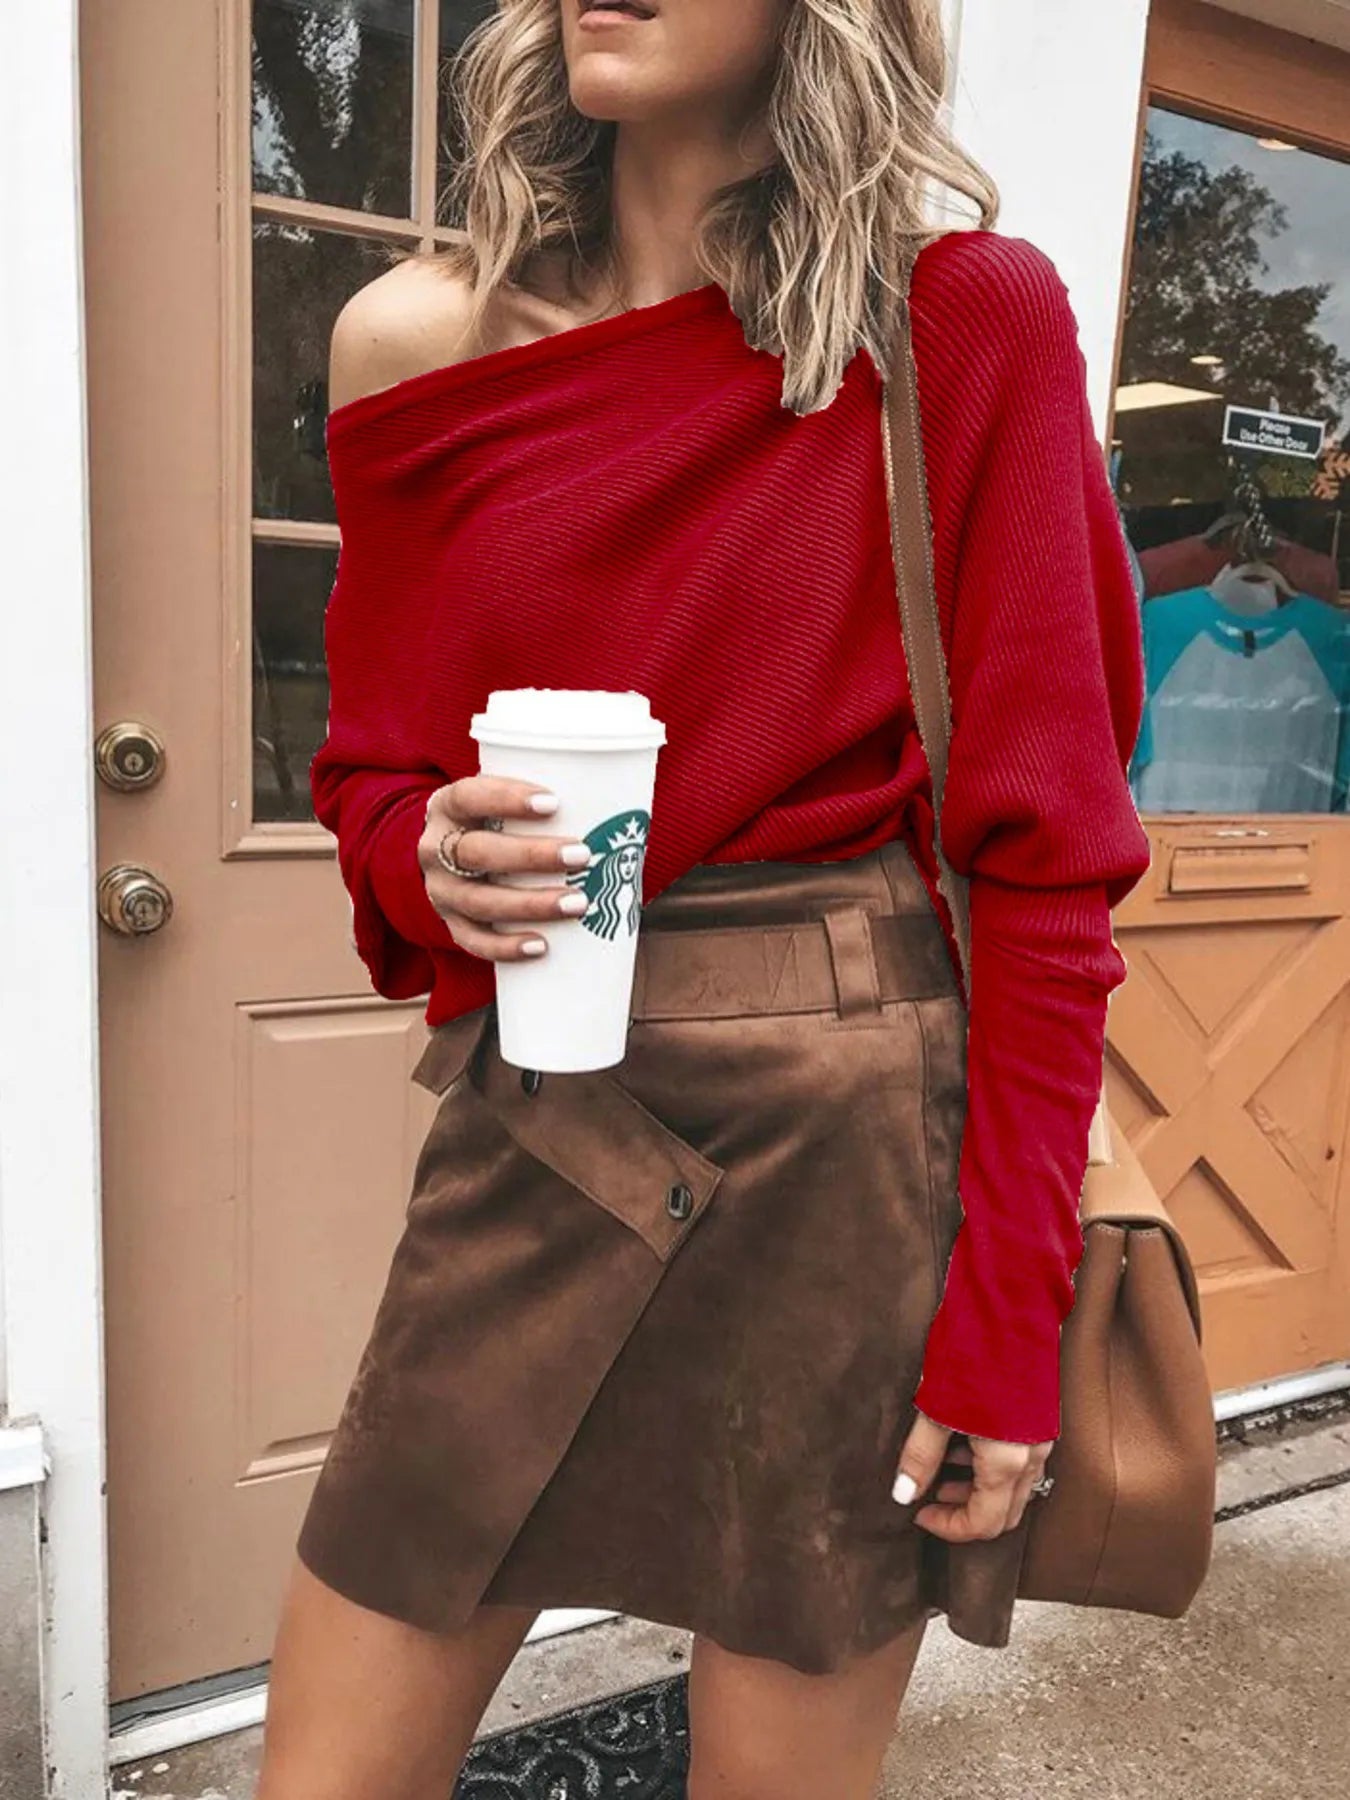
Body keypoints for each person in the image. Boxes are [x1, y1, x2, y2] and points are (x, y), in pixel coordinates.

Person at [255, 1, 1152, 1795]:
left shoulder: (959, 317)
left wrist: (1000, 1335)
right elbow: (367, 766)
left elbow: (1044, 865)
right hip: (541, 1122)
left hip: (849, 1150)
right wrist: (421, 858)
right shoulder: (409, 339)